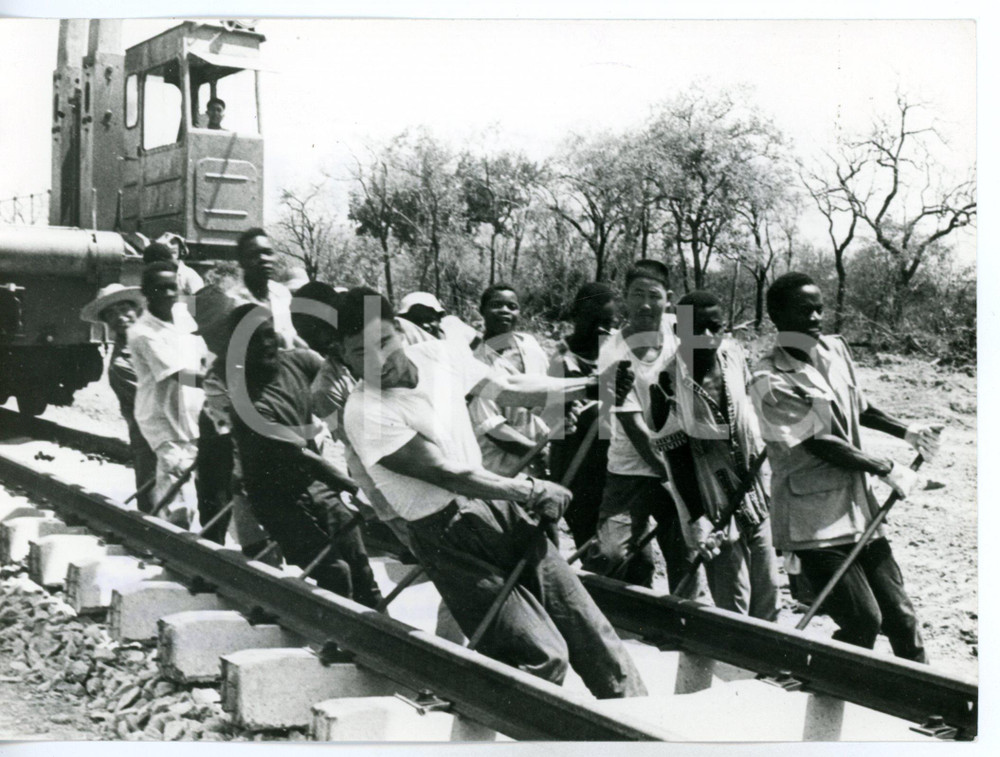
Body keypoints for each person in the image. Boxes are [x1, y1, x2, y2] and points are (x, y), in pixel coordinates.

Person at [338, 287, 646, 698]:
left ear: (399, 331)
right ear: (344, 356)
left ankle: (642, 733)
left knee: (593, 634)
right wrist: (528, 490)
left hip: (499, 509)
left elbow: (511, 386)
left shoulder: (437, 356)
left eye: (383, 342)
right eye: (360, 354)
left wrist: (592, 383)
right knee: (539, 656)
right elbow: (445, 473)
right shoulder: (363, 410)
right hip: (448, 535)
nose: (378, 361)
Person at [750, 272, 941, 661]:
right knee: (862, 621)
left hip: (858, 508)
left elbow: (860, 407)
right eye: (805, 310)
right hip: (812, 522)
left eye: (820, 309)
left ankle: (923, 702)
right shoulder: (766, 378)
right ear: (776, 315)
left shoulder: (834, 350)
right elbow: (819, 440)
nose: (817, 318)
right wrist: (887, 467)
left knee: (901, 617)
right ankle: (826, 693)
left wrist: (907, 431)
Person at [227, 303, 383, 607]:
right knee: (336, 573)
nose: (266, 344)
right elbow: (300, 455)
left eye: (268, 335)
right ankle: (340, 644)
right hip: (275, 498)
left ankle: (385, 642)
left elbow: (341, 388)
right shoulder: (247, 403)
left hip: (316, 485)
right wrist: (356, 488)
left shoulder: (301, 361)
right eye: (253, 340)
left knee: (362, 568)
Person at [650, 290, 779, 620]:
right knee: (734, 601)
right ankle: (737, 668)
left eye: (715, 327)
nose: (708, 337)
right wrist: (699, 520)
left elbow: (751, 408)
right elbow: (677, 460)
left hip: (755, 492)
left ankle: (771, 669)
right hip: (711, 504)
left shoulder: (733, 356)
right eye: (697, 329)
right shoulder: (665, 384)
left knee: (768, 591)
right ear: (680, 332)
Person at [592, 260, 695, 591]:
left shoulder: (681, 332)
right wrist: (671, 473)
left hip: (678, 461)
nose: (646, 304)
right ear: (624, 298)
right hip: (630, 468)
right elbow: (634, 428)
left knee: (688, 554)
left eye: (654, 295)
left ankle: (684, 625)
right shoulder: (610, 352)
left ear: (669, 298)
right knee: (610, 554)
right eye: (637, 294)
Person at [127, 262, 205, 528]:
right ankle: (171, 542)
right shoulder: (142, 333)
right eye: (161, 289)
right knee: (177, 480)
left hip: (190, 414)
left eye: (173, 287)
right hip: (161, 417)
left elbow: (204, 355)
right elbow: (180, 374)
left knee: (189, 480)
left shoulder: (185, 321)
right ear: (147, 292)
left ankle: (166, 529)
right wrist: (225, 383)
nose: (169, 294)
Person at [548, 282, 617, 558]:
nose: (601, 330)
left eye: (608, 324)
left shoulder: (614, 353)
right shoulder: (562, 360)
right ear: (577, 315)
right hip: (577, 470)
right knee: (594, 549)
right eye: (594, 321)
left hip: (611, 468)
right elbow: (555, 425)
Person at [80, 284, 157, 514]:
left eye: (124, 309)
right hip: (151, 436)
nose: (121, 317)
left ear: (137, 309)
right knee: (155, 501)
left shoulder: (153, 338)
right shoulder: (121, 364)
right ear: (106, 323)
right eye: (111, 314)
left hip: (173, 430)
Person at [468, 284, 551, 477]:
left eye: (512, 306)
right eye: (497, 305)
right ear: (482, 311)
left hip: (541, 454)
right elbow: (493, 429)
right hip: (501, 464)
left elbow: (548, 390)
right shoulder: (475, 362)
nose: (505, 311)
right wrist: (538, 452)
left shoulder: (529, 345)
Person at [398, 291, 478, 346]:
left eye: (429, 319)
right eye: (417, 321)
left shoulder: (453, 327)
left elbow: (479, 343)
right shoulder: (406, 345)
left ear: (439, 318)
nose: (425, 325)